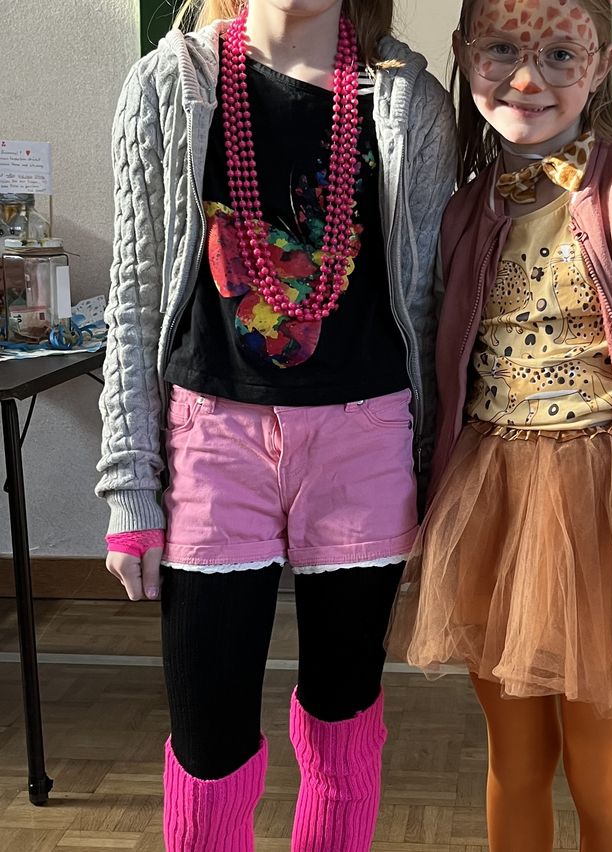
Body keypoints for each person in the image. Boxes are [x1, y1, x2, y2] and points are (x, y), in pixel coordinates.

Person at [96, 0, 455, 848]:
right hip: (211, 443)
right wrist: (129, 485)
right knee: (207, 738)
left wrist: (441, 475)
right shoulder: (163, 87)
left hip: (364, 440)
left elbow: (429, 301)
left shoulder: (409, 100)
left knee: (343, 715)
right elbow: (135, 294)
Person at [389, 1, 612, 850]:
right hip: (493, 509)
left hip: (602, 520)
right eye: (501, 49)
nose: (525, 77)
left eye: (557, 53)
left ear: (602, 61)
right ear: (463, 55)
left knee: (601, 770)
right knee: (514, 764)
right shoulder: (465, 209)